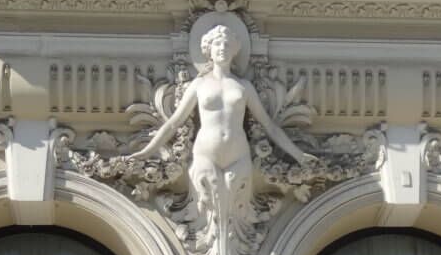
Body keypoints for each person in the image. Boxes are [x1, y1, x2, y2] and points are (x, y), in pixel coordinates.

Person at [130, 24, 312, 206]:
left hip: (238, 155)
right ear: (209, 50)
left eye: (227, 45)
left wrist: (299, 155)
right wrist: (147, 151)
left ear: (234, 51)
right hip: (205, 154)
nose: (222, 48)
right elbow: (173, 123)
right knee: (208, 203)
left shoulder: (244, 86)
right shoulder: (199, 85)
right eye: (217, 44)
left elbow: (270, 126)